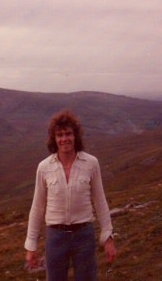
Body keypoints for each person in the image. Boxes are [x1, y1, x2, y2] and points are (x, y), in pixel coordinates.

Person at [24, 110, 116, 281]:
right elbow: (37, 207)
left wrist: (108, 237)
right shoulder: (44, 168)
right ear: (54, 139)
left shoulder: (91, 163)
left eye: (68, 134)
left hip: (84, 236)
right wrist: (31, 245)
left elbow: (100, 201)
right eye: (60, 135)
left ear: (75, 136)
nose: (64, 139)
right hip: (55, 237)